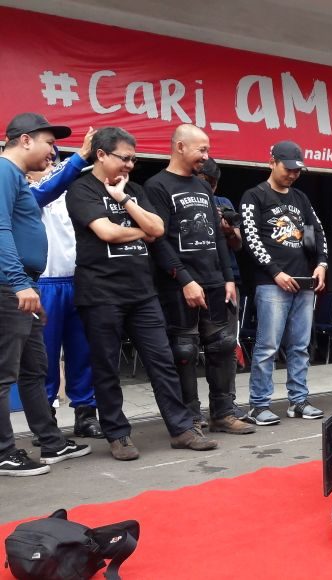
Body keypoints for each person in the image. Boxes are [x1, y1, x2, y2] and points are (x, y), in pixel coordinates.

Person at [66, 126, 218, 460]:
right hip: (101, 293)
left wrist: (123, 199)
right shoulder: (81, 189)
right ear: (101, 155)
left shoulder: (133, 189)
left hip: (142, 293)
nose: (130, 165)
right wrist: (141, 230)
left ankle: (181, 429)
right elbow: (106, 232)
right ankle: (118, 434)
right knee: (106, 367)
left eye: (133, 159)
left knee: (163, 361)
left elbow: (158, 229)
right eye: (124, 158)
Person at [144, 125, 253, 435]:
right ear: (180, 147)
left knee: (223, 345)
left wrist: (228, 277)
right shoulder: (156, 186)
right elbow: (158, 240)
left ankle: (223, 413)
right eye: (201, 150)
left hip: (215, 281)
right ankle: (190, 417)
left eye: (207, 150)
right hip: (177, 285)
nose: (206, 156)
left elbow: (218, 237)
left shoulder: (203, 187)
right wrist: (185, 280)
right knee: (184, 350)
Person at [1, 113, 92, 475]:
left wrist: (29, 285)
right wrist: (19, 282)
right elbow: (0, 228)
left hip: (26, 285)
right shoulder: (4, 172)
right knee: (5, 373)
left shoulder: (16, 177)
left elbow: (47, 192)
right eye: (49, 143)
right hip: (11, 287)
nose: (53, 152)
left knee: (34, 369)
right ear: (25, 140)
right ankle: (4, 452)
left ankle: (51, 442)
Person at [240, 141, 328, 425]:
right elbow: (250, 239)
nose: (293, 174)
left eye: (297, 170)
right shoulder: (254, 196)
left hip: (303, 282)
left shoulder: (301, 198)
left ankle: (299, 401)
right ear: (272, 162)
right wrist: (275, 272)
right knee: (267, 346)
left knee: (300, 346)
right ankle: (258, 405)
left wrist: (322, 264)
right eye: (288, 168)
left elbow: (318, 232)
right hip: (271, 283)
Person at [29, 128, 104, 441]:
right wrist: (78, 158)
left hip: (78, 280)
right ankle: (45, 420)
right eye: (46, 159)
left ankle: (86, 414)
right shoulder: (24, 191)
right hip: (44, 284)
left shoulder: (74, 193)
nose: (50, 164)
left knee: (83, 351)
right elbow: (47, 187)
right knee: (44, 357)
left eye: (54, 160)